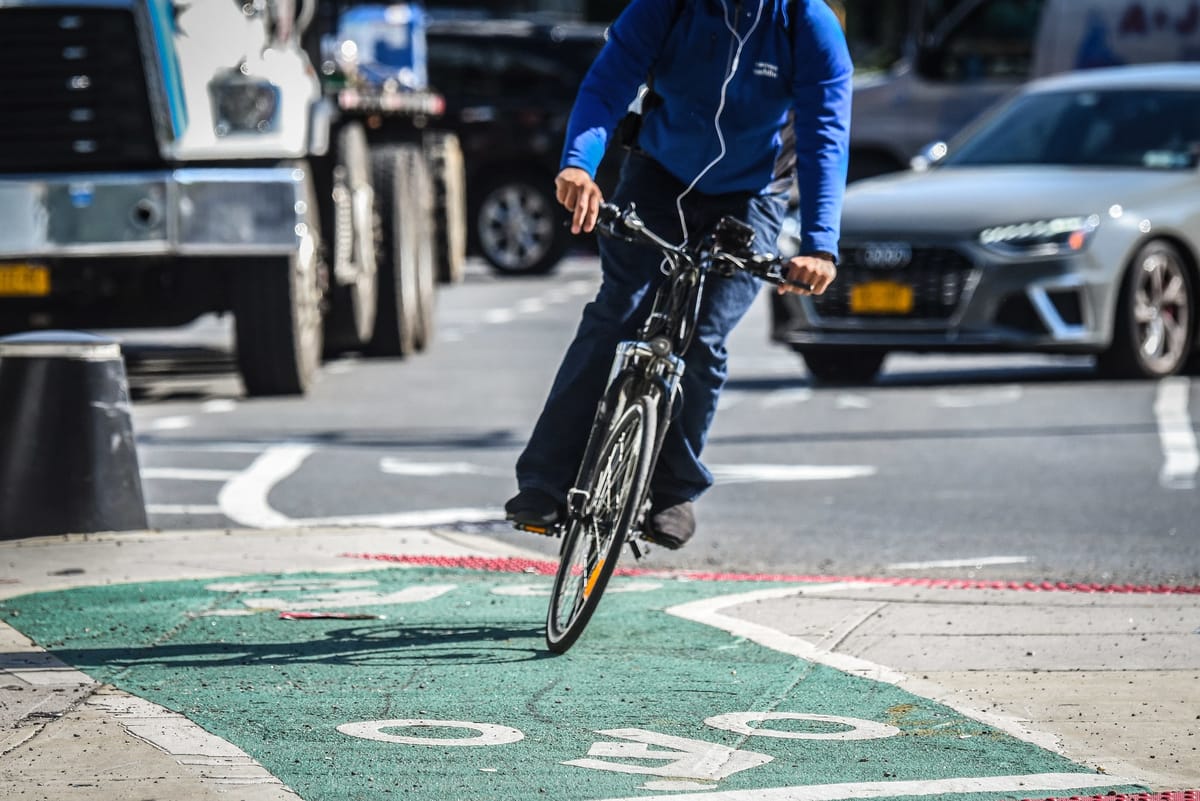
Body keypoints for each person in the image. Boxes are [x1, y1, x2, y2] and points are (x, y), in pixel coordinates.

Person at [505, 0, 853, 550]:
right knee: (618, 311)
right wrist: (578, 164)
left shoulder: (807, 23)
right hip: (658, 176)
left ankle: (673, 492)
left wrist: (820, 247)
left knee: (704, 337)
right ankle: (545, 482)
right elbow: (608, 84)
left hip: (752, 195)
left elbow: (824, 135)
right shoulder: (665, 6)